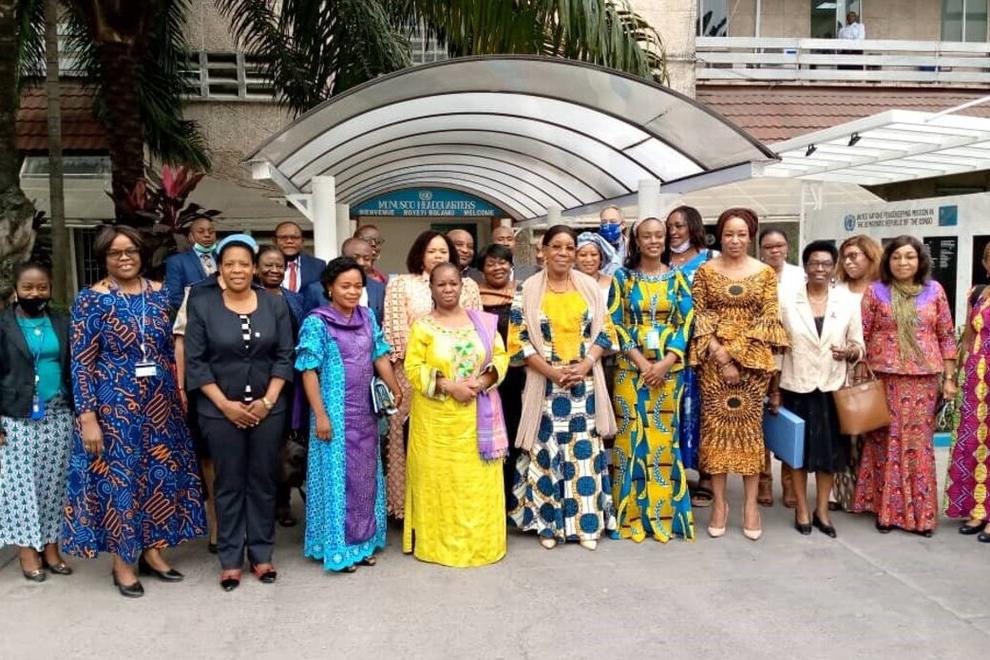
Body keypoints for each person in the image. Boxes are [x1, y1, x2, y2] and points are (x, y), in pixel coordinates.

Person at [64, 225, 205, 598]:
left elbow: (172, 346)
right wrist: (87, 417)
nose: (124, 258)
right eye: (115, 252)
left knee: (159, 477)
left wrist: (179, 390)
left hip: (161, 404)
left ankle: (153, 552)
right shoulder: (91, 300)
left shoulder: (160, 295)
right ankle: (123, 563)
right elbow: (81, 363)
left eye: (130, 251)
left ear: (142, 253)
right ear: (104, 258)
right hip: (113, 406)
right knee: (121, 482)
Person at [184, 234, 295, 590]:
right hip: (219, 411)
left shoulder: (274, 305)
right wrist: (225, 405)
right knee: (228, 483)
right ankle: (230, 559)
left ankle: (261, 555)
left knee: (263, 481)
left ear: (254, 268)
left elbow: (284, 356)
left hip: (269, 409)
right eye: (229, 263)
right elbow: (196, 363)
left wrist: (267, 401)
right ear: (219, 268)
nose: (237, 270)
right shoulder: (203, 305)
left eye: (244, 264)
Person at [508, 225, 617, 550]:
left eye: (570, 247)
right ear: (543, 251)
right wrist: (552, 373)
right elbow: (518, 341)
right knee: (547, 453)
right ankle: (547, 525)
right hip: (545, 386)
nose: (564, 253)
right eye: (556, 246)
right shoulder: (528, 289)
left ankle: (587, 525)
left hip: (584, 385)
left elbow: (606, 332)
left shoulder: (589, 287)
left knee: (584, 454)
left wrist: (585, 365)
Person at [296, 257, 401, 572]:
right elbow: (308, 371)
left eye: (358, 286)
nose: (352, 292)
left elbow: (379, 355)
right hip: (333, 415)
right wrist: (321, 415)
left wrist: (394, 387)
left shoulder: (367, 316)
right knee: (337, 481)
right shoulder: (317, 322)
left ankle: (364, 542)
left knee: (365, 480)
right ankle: (339, 548)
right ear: (329, 287)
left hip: (366, 415)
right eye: (345, 286)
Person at [690, 208, 788, 541]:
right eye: (729, 234)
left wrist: (734, 353)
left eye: (741, 234)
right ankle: (720, 505)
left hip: (752, 363)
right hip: (712, 363)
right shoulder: (705, 271)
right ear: (720, 236)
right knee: (715, 432)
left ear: (750, 237)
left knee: (749, 433)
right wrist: (720, 354)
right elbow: (699, 315)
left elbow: (768, 318)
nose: (735, 240)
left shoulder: (764, 273)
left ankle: (749, 506)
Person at [404, 262, 508, 566]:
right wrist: (450, 386)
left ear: (462, 286)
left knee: (476, 483)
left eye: (453, 283)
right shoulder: (423, 327)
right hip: (436, 424)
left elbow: (500, 357)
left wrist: (481, 382)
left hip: (478, 417)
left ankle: (482, 543)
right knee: (439, 483)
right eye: (441, 284)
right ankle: (438, 545)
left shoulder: (482, 322)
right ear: (431, 288)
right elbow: (413, 368)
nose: (448, 289)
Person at [852, 235, 956, 537]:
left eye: (909, 257)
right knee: (885, 441)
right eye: (896, 257)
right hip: (883, 377)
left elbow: (946, 334)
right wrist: (860, 371)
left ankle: (921, 515)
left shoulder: (934, 291)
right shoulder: (875, 291)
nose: (903, 262)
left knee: (917, 445)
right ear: (888, 262)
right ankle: (886, 512)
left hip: (923, 381)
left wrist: (950, 379)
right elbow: (862, 333)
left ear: (920, 260)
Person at [382, 231, 482, 518]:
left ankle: (453, 506)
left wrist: (463, 376)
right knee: (410, 440)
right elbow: (396, 332)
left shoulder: (469, 286)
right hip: (410, 374)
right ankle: (408, 507)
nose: (438, 255)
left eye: (443, 251)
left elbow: (478, 330)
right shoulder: (402, 284)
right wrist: (424, 369)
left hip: (463, 376)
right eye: (431, 251)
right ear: (420, 254)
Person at [608, 217, 695, 542]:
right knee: (629, 442)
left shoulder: (679, 278)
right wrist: (643, 362)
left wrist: (667, 361)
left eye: (660, 235)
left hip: (669, 374)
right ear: (637, 241)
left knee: (662, 442)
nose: (654, 241)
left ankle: (663, 518)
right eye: (647, 236)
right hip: (630, 372)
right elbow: (615, 322)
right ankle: (628, 518)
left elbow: (687, 321)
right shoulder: (623, 278)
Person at [772, 241, 863, 538]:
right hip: (795, 385)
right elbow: (777, 348)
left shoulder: (847, 302)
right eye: (814, 263)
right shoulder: (786, 300)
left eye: (826, 263)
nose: (820, 269)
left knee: (829, 454)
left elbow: (858, 345)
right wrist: (774, 389)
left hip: (832, 387)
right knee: (797, 452)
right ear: (805, 266)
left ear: (834, 267)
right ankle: (801, 508)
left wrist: (850, 351)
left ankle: (822, 510)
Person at [0, 263, 74, 582]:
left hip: (58, 414)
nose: (35, 293)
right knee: (20, 488)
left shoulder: (62, 321)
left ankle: (51, 547)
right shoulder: (3, 324)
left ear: (50, 288)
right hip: (16, 417)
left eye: (42, 287)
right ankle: (28, 551)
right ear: (16, 290)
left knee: (55, 485)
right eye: (28, 287)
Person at [665, 205, 717, 508]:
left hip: (703, 348)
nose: (673, 232)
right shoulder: (661, 261)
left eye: (680, 226)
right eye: (670, 226)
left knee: (703, 412)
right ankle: (676, 473)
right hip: (669, 349)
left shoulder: (711, 260)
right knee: (673, 411)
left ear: (693, 227)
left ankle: (707, 476)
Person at [831, 234, 882, 511]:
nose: (848, 262)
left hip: (877, 370)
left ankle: (871, 495)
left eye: (855, 256)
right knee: (845, 433)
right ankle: (843, 494)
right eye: (845, 257)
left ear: (871, 257)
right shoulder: (836, 289)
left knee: (873, 435)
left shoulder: (883, 289)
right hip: (841, 370)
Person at [946, 243, 990, 541]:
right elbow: (967, 337)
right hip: (975, 378)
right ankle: (978, 510)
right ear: (986, 264)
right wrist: (953, 378)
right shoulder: (977, 293)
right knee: (974, 441)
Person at [758, 227, 804, 508]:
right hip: (761, 354)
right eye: (768, 247)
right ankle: (764, 479)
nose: (774, 251)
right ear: (761, 250)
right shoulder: (754, 273)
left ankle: (789, 482)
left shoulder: (801, 276)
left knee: (789, 416)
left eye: (779, 246)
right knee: (762, 417)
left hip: (793, 354)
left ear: (787, 248)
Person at [478, 244, 526, 502]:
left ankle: (512, 498)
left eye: (503, 262)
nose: (498, 267)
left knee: (514, 433)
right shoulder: (474, 297)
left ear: (511, 265)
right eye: (491, 263)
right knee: (488, 436)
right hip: (486, 377)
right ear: (482, 269)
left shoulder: (523, 293)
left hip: (518, 377)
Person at [303, 237, 385, 323]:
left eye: (367, 258)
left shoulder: (380, 289)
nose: (361, 262)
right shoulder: (315, 290)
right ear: (343, 257)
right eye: (355, 257)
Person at [164, 214, 218, 308]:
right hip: (193, 314)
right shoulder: (177, 261)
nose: (207, 235)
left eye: (211, 232)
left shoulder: (223, 258)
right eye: (201, 232)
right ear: (190, 236)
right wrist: (200, 310)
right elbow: (174, 296)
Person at [274, 221, 326, 294]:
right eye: (283, 237)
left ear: (302, 241)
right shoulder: (265, 266)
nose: (289, 241)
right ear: (275, 241)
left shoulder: (318, 266)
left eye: (295, 237)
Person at [599, 205, 627, 275]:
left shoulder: (631, 248)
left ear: (623, 225)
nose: (608, 225)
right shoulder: (595, 247)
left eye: (613, 221)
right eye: (604, 222)